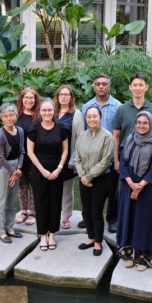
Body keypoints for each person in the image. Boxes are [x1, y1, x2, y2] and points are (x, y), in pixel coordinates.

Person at [117, 111, 152, 272]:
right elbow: (123, 164)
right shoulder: (129, 139)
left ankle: (144, 257)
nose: (141, 126)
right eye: (139, 122)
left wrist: (140, 186)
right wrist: (131, 184)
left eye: (145, 123)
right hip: (128, 186)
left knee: (145, 220)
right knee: (128, 218)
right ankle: (130, 254)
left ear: (151, 125)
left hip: (148, 189)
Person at [80, 74, 121, 231]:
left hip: (109, 156)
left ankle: (112, 219)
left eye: (104, 84)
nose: (101, 86)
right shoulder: (87, 107)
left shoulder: (118, 106)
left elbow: (119, 134)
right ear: (94, 86)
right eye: (98, 84)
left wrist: (116, 159)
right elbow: (84, 132)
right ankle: (88, 217)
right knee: (88, 187)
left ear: (109, 86)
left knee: (112, 189)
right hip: (90, 156)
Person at [27, 99, 68, 251]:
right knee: (41, 203)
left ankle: (52, 234)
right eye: (44, 110)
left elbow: (65, 151)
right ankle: (43, 235)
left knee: (55, 204)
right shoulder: (34, 130)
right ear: (39, 112)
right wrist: (43, 170)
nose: (47, 113)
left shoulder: (61, 129)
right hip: (39, 172)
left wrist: (59, 168)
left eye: (49, 110)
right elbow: (30, 152)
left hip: (57, 170)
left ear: (54, 111)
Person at [74, 106, 114, 256]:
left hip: (101, 179)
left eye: (94, 116)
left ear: (100, 117)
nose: (92, 119)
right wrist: (83, 176)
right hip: (83, 179)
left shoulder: (107, 136)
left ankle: (98, 241)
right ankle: (90, 237)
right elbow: (77, 158)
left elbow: (106, 160)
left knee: (96, 212)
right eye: (89, 117)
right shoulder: (82, 136)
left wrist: (89, 176)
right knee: (86, 211)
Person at [0, 103, 24, 243]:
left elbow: (22, 151)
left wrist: (19, 169)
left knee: (11, 200)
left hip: (16, 167)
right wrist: (13, 172)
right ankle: (0, 231)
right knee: (0, 201)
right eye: (5, 116)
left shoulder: (20, 131)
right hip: (3, 168)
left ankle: (10, 228)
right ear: (1, 118)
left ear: (16, 116)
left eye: (11, 115)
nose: (9, 118)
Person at [54, 84, 83, 230]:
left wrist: (74, 159)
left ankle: (66, 217)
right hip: (51, 158)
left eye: (67, 94)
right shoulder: (51, 112)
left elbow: (80, 138)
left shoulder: (76, 114)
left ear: (71, 97)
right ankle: (53, 214)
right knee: (52, 188)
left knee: (67, 189)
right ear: (57, 96)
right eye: (61, 94)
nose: (64, 97)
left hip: (68, 158)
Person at [15, 87, 41, 226]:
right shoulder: (16, 114)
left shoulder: (39, 116)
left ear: (35, 99)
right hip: (20, 155)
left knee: (33, 184)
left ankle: (33, 212)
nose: (29, 100)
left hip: (35, 155)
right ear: (22, 99)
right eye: (26, 97)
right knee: (21, 183)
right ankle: (24, 211)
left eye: (31, 97)